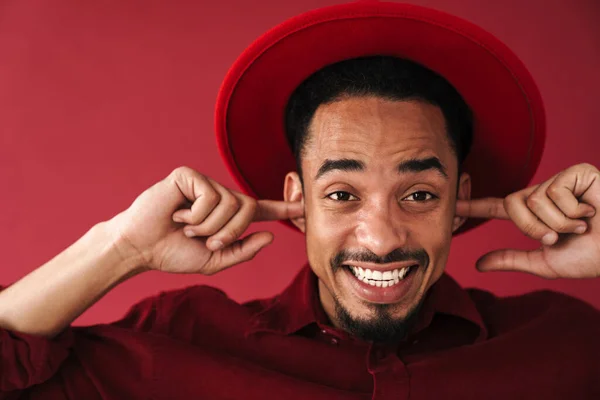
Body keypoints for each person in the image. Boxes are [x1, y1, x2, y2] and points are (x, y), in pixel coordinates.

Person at [1, 2, 598, 399]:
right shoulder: (182, 338)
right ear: (299, 200)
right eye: (341, 193)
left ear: (459, 200)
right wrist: (121, 246)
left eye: (419, 194)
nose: (382, 237)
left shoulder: (566, 344)